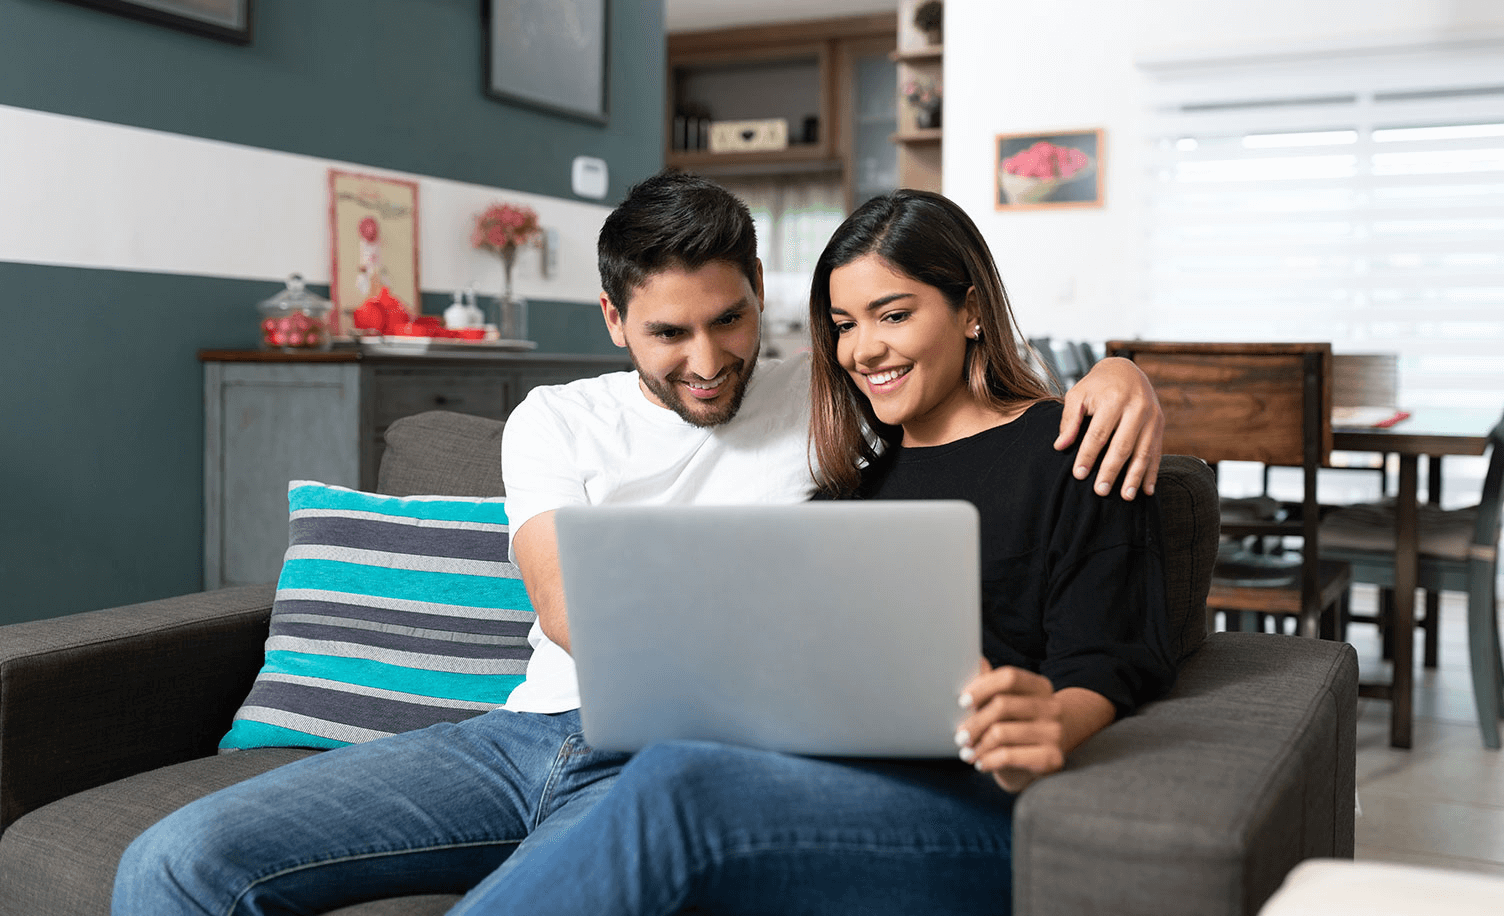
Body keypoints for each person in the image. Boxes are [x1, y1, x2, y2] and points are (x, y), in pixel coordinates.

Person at [112, 173, 1166, 915]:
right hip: (533, 733)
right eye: (670, 333)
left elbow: (1094, 629)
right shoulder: (593, 423)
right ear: (614, 319)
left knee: (676, 789)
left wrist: (1124, 372)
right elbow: (575, 614)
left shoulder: (842, 411)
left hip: (706, 760)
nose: (709, 360)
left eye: (733, 320)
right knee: (178, 860)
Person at [441, 188, 1176, 914]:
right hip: (819, 786)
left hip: (976, 803)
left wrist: (1125, 371)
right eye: (843, 324)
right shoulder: (845, 471)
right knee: (675, 774)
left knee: (675, 783)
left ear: (972, 308)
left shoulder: (1072, 450)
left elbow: (1113, 659)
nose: (865, 349)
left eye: (895, 314)